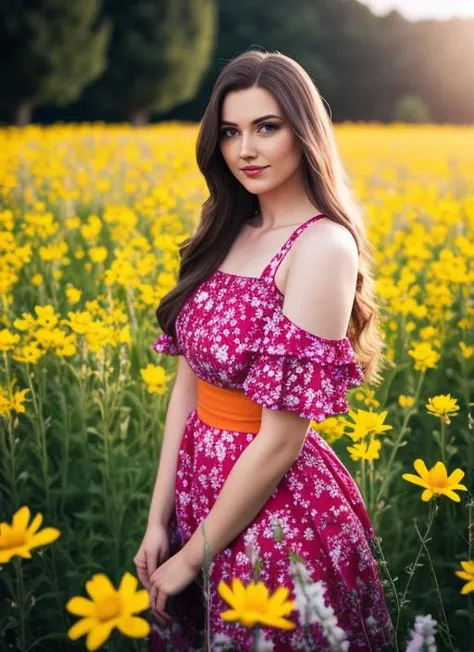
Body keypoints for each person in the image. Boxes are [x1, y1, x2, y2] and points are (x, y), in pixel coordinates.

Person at [134, 48, 395, 651]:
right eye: (230, 131)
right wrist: (159, 521)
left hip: (274, 512)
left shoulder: (322, 247)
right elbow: (188, 386)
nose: (245, 149)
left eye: (266, 127)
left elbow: (282, 437)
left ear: (304, 132)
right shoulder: (229, 230)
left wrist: (195, 554)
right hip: (198, 491)